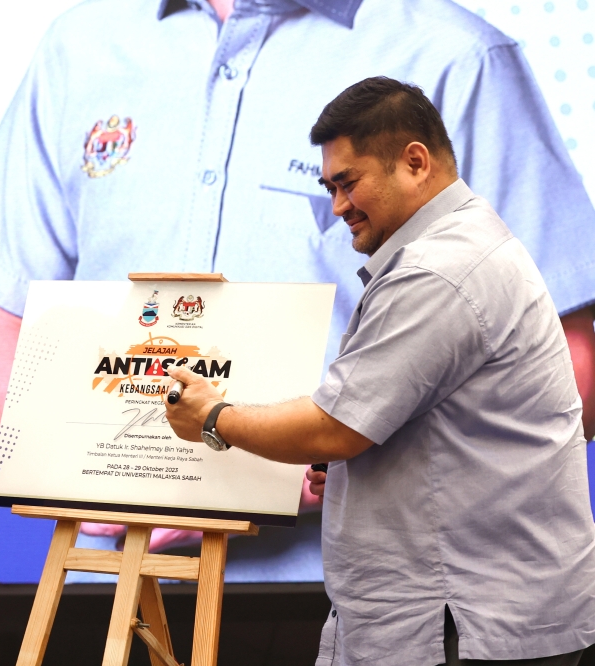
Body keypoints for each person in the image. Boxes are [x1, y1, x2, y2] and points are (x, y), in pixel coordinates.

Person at [0, 0, 595, 558]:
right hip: (112, 597)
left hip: (364, 601)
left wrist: (333, 466)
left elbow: (566, 371)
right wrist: (91, 484)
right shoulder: (80, 45)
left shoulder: (455, 56)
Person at [165, 76, 595, 665]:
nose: (337, 206)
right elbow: (425, 429)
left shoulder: (439, 271)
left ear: (415, 163)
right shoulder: (463, 244)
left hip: (462, 622)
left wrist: (213, 416)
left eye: (348, 183)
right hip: (471, 612)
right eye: (330, 186)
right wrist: (350, 471)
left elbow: (333, 428)